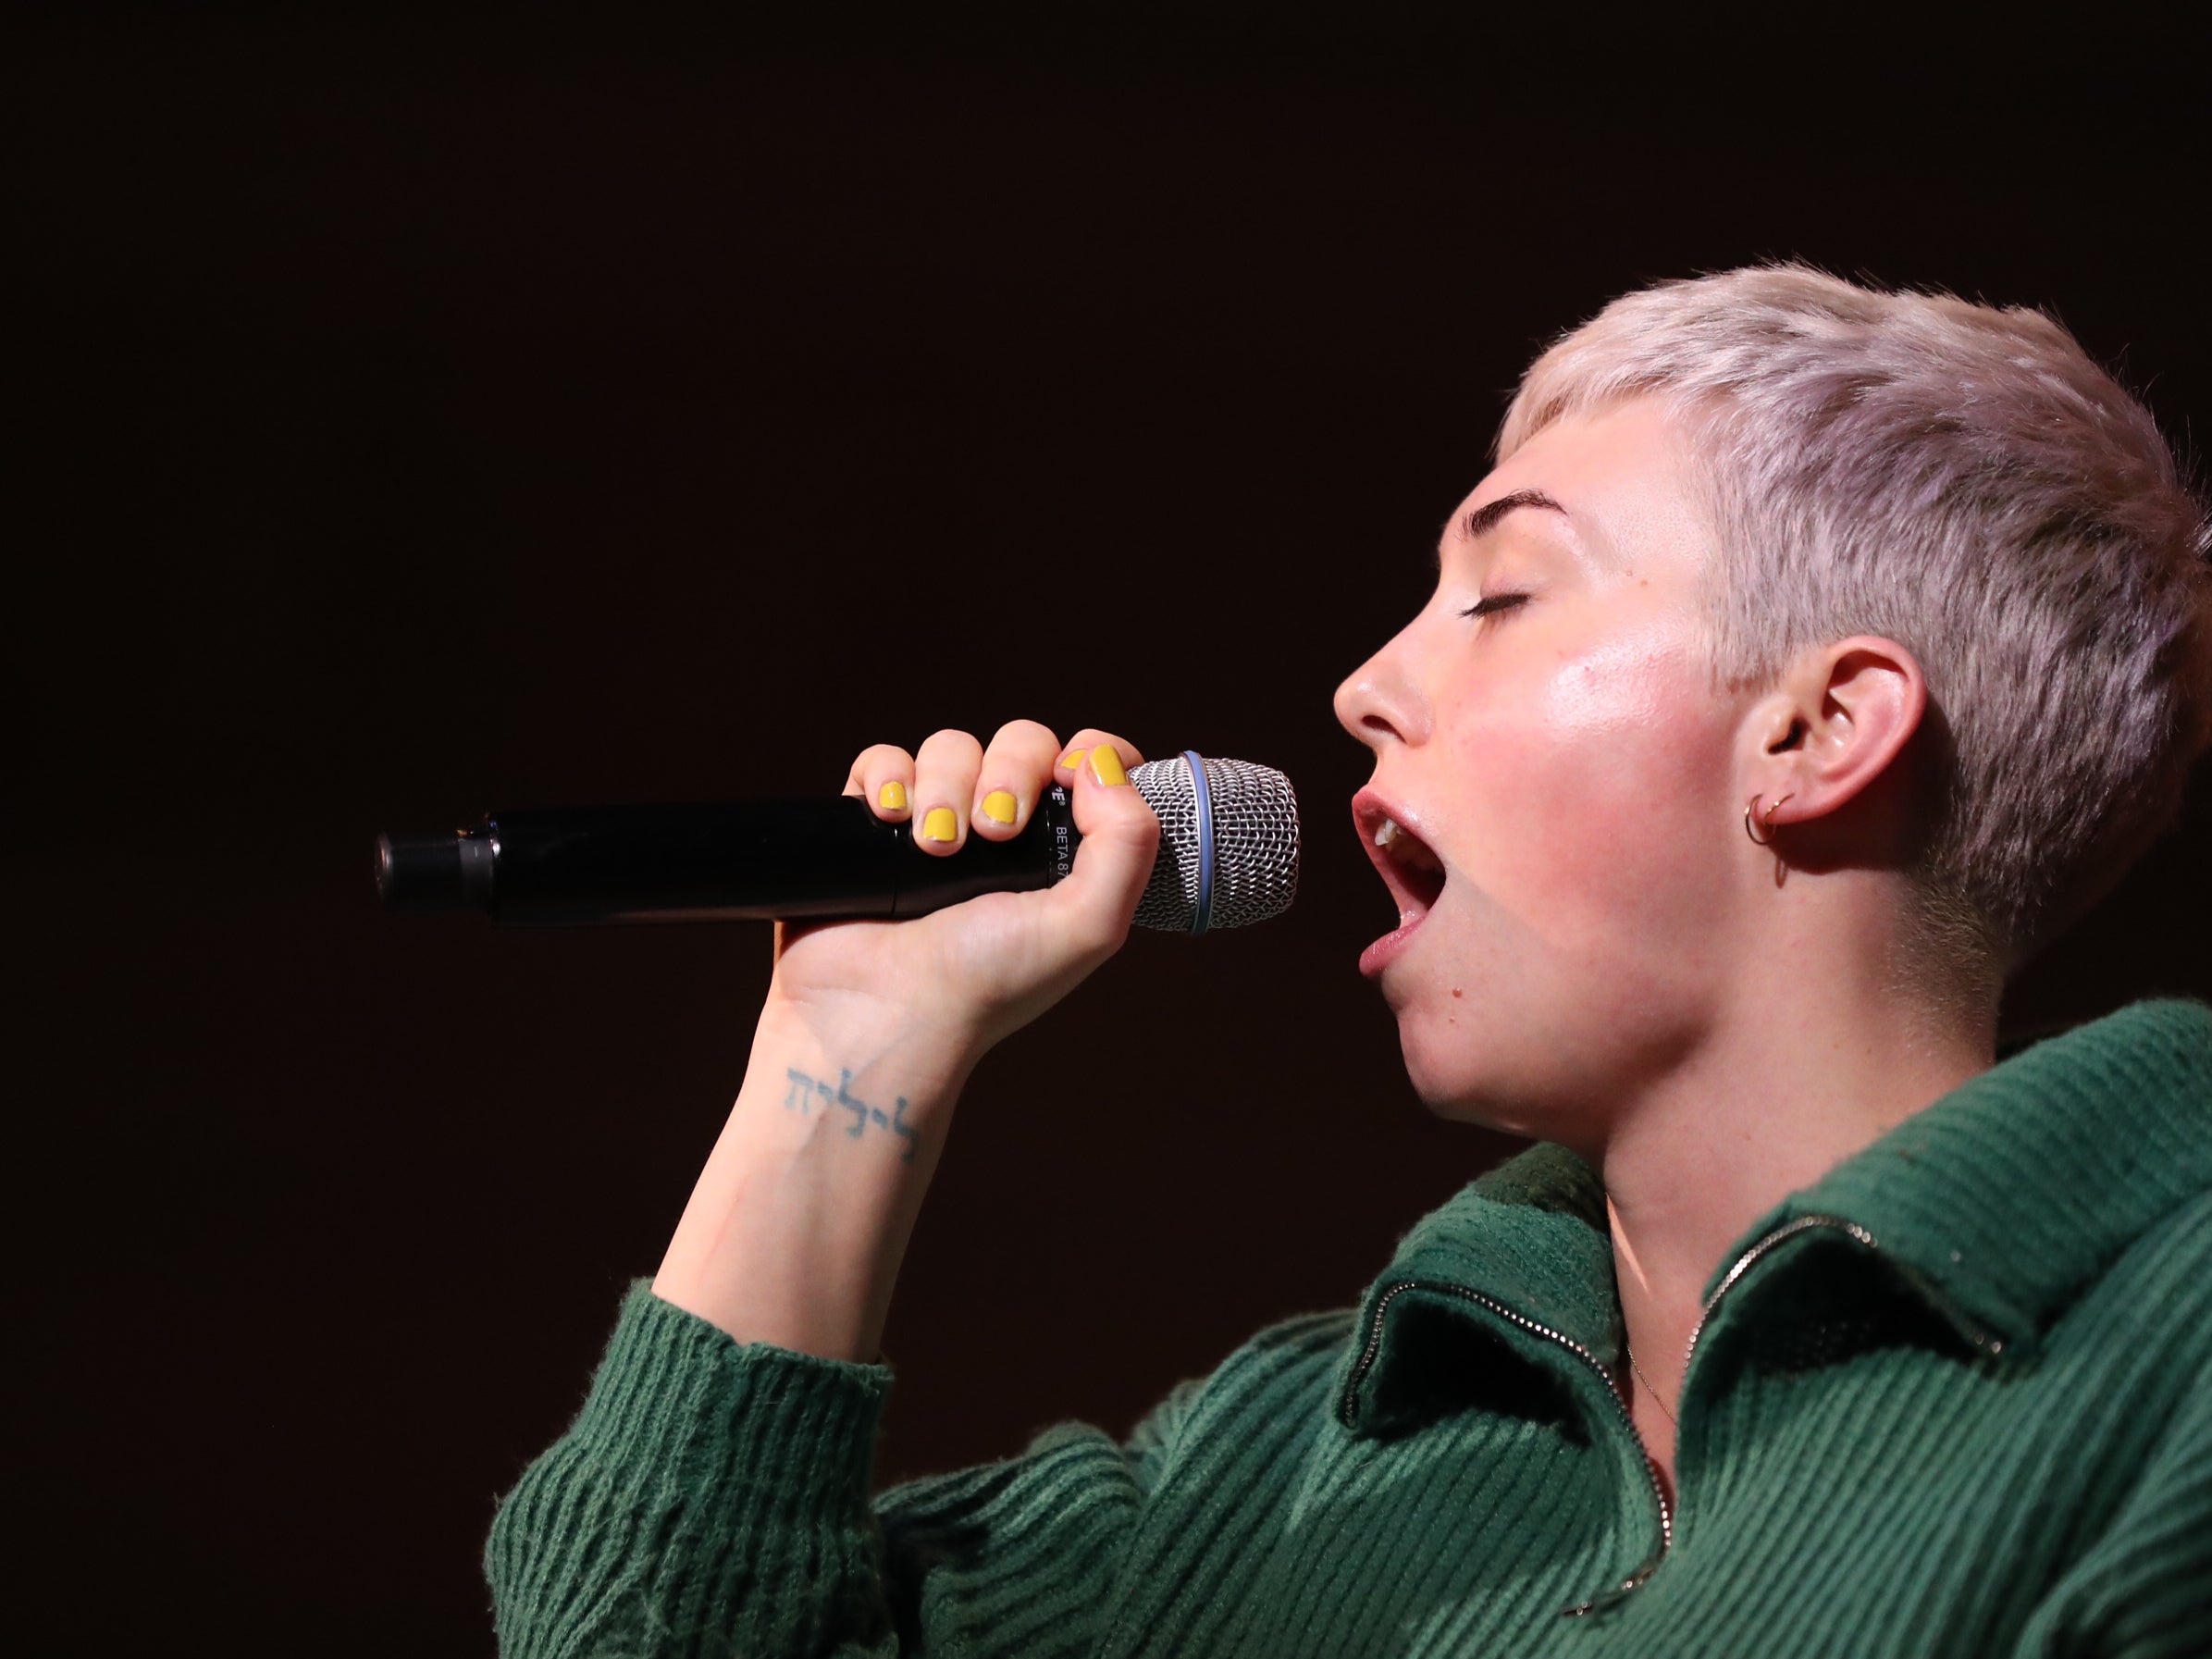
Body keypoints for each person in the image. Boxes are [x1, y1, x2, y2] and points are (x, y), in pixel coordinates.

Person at [484, 266, 2212, 1655]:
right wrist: (840, 1049)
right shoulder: (1278, 1469)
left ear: (1818, 730)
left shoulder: (2165, 1364)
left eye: (1506, 592)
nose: (1364, 684)